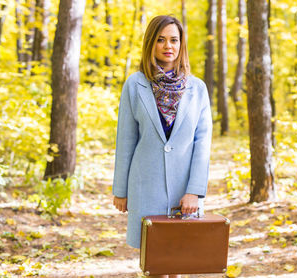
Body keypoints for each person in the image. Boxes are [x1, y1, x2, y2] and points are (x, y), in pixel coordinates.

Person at [112, 15, 212, 278]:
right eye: (161, 40)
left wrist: (195, 192)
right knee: (154, 264)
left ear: (181, 45)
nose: (168, 46)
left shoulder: (198, 89)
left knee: (178, 261)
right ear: (151, 44)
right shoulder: (135, 84)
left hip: (184, 191)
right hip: (146, 186)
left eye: (174, 40)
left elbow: (202, 145)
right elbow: (125, 140)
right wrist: (120, 191)